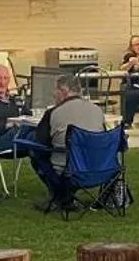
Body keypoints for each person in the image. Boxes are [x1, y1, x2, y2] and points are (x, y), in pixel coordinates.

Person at [27, 71, 108, 207]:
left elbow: (40, 142)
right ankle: (66, 196)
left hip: (68, 170)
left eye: (56, 90)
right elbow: (103, 136)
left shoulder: (54, 112)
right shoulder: (97, 110)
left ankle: (60, 195)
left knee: (34, 148)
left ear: (64, 91)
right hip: (99, 168)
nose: (54, 95)